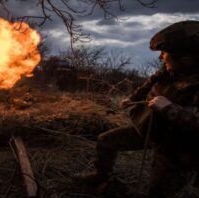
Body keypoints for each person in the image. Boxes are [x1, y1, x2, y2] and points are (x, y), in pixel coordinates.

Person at [75, 20, 199, 198]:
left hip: (177, 146)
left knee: (158, 192)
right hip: (150, 128)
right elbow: (148, 85)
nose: (161, 57)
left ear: (186, 59)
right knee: (105, 141)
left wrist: (170, 108)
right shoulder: (169, 69)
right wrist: (132, 99)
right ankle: (100, 176)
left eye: (166, 53)